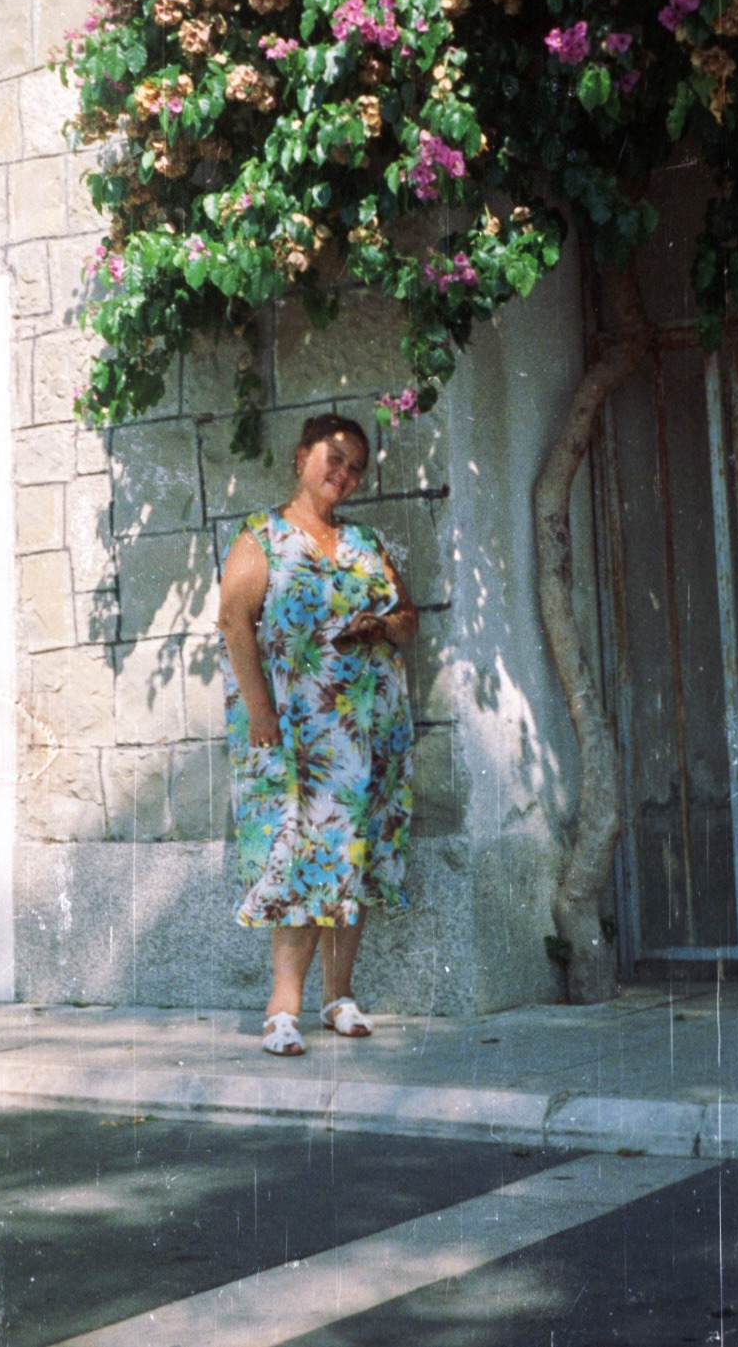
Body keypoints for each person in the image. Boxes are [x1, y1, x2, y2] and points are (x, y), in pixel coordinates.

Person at [216, 413, 418, 1055]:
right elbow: (233, 622)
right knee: (300, 857)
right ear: (302, 457)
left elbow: (408, 617)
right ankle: (282, 1009)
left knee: (350, 852)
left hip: (365, 730)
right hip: (294, 733)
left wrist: (382, 628)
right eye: (334, 458)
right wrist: (260, 714)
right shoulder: (262, 535)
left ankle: (339, 996)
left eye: (355, 467)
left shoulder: (364, 541)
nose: (344, 473)